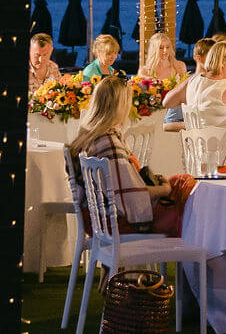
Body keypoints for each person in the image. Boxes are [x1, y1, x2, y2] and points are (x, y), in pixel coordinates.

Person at [67, 73, 194, 235]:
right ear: (121, 105)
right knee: (185, 185)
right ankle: (205, 252)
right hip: (120, 224)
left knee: (180, 181)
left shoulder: (88, 136)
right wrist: (164, 190)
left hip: (97, 220)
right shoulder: (109, 142)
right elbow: (130, 196)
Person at [167, 40, 226, 127]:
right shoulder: (225, 86)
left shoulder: (193, 80)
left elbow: (169, 102)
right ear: (222, 62)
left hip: (195, 141)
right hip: (221, 141)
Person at [140, 32, 191, 126]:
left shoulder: (179, 66)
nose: (165, 51)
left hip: (176, 115)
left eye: (167, 47)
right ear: (154, 49)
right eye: (161, 48)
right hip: (154, 116)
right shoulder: (145, 71)